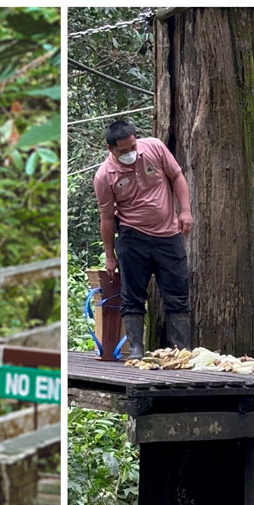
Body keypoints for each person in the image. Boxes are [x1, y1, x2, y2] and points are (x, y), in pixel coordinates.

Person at [93, 120, 194, 358]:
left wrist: (186, 210)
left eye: (132, 147)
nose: (130, 153)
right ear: (110, 149)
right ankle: (136, 349)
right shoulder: (104, 176)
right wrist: (110, 256)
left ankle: (181, 350)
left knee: (177, 292)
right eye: (123, 151)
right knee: (132, 294)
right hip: (132, 236)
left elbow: (177, 176)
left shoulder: (155, 148)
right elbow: (107, 218)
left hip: (168, 234)